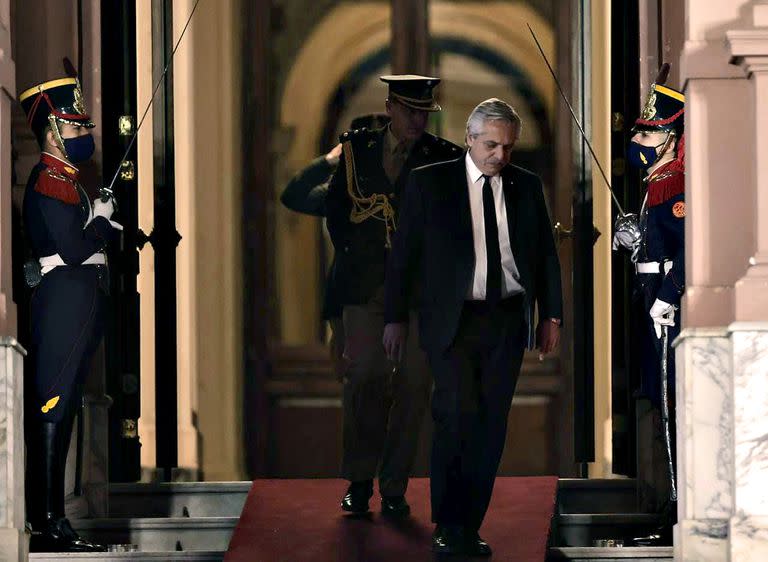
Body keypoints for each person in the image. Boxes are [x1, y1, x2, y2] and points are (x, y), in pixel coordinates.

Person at [383, 98, 562, 556]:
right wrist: (395, 317)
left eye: (506, 147)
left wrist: (551, 315)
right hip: (452, 320)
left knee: (490, 424)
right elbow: (404, 256)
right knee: (454, 416)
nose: (498, 156)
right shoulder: (430, 183)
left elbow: (545, 255)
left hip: (506, 317)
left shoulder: (525, 186)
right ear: (469, 137)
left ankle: (470, 524)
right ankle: (447, 521)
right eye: (489, 145)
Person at [326, 75, 462, 517]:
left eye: (424, 112)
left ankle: (394, 486)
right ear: (389, 107)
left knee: (413, 383)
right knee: (364, 375)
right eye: (409, 111)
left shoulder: (442, 158)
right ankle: (360, 479)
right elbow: (337, 218)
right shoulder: (355, 150)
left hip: (420, 294)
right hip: (366, 288)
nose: (418, 120)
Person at [19, 72, 121, 552]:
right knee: (53, 408)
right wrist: (100, 221)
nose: (85, 137)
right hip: (63, 303)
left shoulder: (69, 182)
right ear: (53, 131)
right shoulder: (50, 180)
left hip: (77, 304)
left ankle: (53, 518)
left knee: (63, 409)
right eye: (77, 130)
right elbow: (75, 248)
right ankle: (47, 521)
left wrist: (96, 211)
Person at [613, 69, 685, 546]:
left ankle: (677, 511)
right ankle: (662, 505)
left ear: (669, 135)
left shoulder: (673, 181)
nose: (638, 138)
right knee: (654, 401)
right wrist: (631, 241)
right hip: (647, 301)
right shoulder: (654, 179)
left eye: (647, 131)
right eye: (639, 130)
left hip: (665, 307)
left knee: (670, 406)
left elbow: (684, 248)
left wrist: (668, 293)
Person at [279, 114, 389, 375]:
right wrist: (330, 161)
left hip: (393, 306)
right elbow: (294, 196)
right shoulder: (341, 193)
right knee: (353, 384)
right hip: (348, 304)